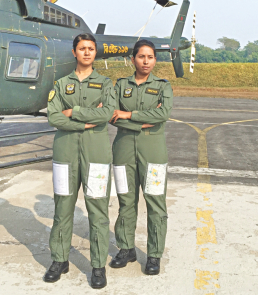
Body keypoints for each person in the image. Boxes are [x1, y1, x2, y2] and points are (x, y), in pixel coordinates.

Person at [44, 33, 116, 289]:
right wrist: (87, 121)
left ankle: (97, 266)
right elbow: (53, 117)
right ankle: (59, 259)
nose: (87, 52)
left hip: (96, 153)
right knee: (62, 206)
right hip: (65, 153)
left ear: (95, 53)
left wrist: (74, 113)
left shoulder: (106, 84)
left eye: (91, 49)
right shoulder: (61, 84)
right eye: (82, 48)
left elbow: (107, 112)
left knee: (97, 209)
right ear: (74, 52)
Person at [109, 39, 173, 275]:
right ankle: (126, 248)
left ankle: (154, 254)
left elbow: (162, 114)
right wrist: (142, 120)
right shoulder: (120, 85)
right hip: (123, 150)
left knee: (155, 201)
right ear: (133, 59)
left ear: (155, 60)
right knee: (126, 200)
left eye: (151, 57)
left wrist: (128, 116)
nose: (146, 61)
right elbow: (111, 115)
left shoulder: (163, 86)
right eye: (141, 57)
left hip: (153, 151)